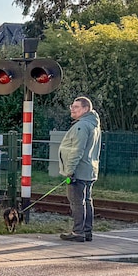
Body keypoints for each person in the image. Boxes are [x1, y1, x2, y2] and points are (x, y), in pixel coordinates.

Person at [58, 96, 102, 242]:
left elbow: (77, 150)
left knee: (77, 202)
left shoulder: (81, 126)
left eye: (76, 107)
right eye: (72, 106)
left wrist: (69, 170)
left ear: (85, 109)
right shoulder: (94, 125)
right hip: (90, 169)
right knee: (87, 201)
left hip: (79, 170)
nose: (72, 109)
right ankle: (87, 231)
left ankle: (78, 232)